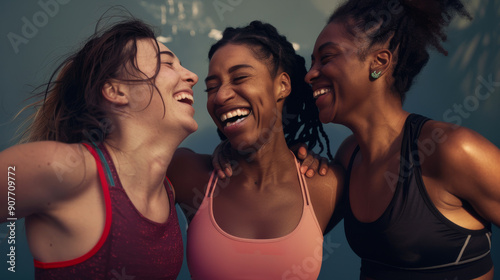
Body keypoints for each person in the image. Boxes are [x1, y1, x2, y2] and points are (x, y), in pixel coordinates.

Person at [304, 0, 500, 279]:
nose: (310, 74)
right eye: (312, 62)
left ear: (379, 62)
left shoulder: (451, 150)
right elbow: (288, 235)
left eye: (327, 57)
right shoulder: (349, 157)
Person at [0, 17, 198, 279]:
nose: (192, 76)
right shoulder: (64, 169)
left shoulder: (171, 188)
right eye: (166, 63)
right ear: (116, 91)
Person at [167, 21, 343, 280]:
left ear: (282, 85)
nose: (221, 95)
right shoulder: (187, 174)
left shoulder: (328, 187)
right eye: (212, 87)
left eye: (240, 78)